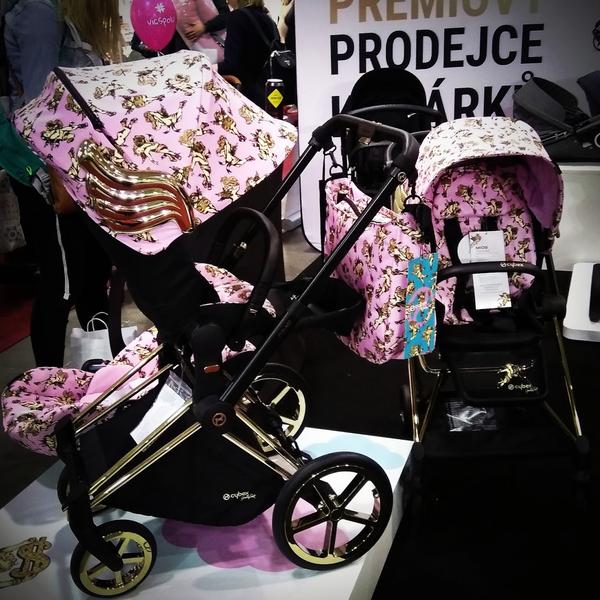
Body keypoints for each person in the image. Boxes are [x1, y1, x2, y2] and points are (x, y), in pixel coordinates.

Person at [2, 0, 120, 367]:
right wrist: (58, 178)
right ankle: (48, 387)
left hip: (75, 168)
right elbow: (40, 109)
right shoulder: (39, 13)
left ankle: (100, 374)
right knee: (63, 284)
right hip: (50, 172)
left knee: (92, 278)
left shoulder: (62, 17)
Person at [218, 0, 277, 107]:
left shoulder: (236, 17)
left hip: (247, 94)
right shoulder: (268, 19)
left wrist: (211, 67)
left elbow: (231, 64)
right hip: (270, 92)